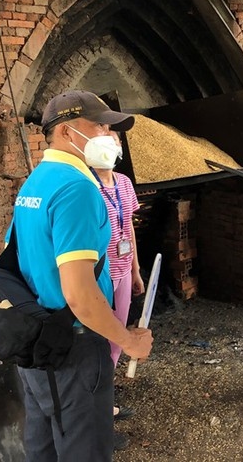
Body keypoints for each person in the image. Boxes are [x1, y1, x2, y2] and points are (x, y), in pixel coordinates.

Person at [11, 90, 153, 461]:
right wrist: (126, 339)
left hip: (38, 340)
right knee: (84, 450)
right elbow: (78, 291)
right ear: (66, 132)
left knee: (44, 446)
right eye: (100, 126)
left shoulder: (37, 181)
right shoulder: (78, 189)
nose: (108, 136)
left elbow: (20, 260)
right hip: (72, 348)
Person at [89, 131, 145, 422]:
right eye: (104, 138)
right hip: (99, 274)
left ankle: (104, 401)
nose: (111, 144)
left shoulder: (123, 183)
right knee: (98, 336)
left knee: (116, 336)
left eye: (115, 139)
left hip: (122, 269)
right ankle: (96, 407)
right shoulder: (86, 186)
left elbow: (130, 228)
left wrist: (135, 270)